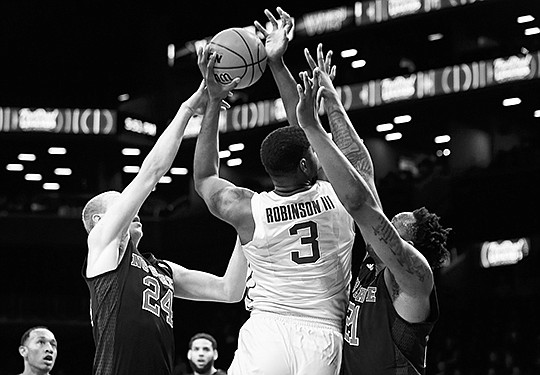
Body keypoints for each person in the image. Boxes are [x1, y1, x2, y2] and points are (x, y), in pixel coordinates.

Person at [193, 8, 355, 375]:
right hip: (323, 333)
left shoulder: (249, 209)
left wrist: (214, 100)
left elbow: (204, 177)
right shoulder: (335, 191)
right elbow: (305, 126)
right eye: (312, 152)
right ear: (305, 164)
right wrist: (277, 63)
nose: (316, 151)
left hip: (267, 327)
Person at [296, 43, 451, 375]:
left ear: (411, 246)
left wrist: (312, 127)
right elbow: (360, 168)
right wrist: (332, 98)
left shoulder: (414, 277)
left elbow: (358, 202)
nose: (392, 219)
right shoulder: (377, 259)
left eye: (400, 224)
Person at [81, 79, 247, 375]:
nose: (133, 209)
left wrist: (245, 228)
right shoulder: (101, 248)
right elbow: (151, 174)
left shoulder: (163, 269)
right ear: (98, 222)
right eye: (122, 205)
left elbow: (230, 290)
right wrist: (187, 109)